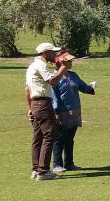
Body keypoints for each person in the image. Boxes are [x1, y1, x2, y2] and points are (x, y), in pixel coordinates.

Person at [25, 42, 71, 180]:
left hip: (36, 104)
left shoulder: (33, 65)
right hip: (43, 103)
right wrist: (64, 67)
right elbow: (52, 81)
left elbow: (27, 89)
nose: (55, 54)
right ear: (45, 53)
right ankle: (43, 171)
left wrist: (30, 108)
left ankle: (36, 169)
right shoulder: (41, 65)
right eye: (52, 52)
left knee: (38, 137)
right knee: (50, 134)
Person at [50, 51, 97, 172]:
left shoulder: (74, 75)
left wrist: (91, 87)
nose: (71, 62)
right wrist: (55, 112)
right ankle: (57, 165)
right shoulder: (54, 77)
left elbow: (83, 87)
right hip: (60, 112)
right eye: (69, 61)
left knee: (70, 138)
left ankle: (69, 164)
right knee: (59, 139)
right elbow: (53, 96)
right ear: (61, 62)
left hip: (74, 112)